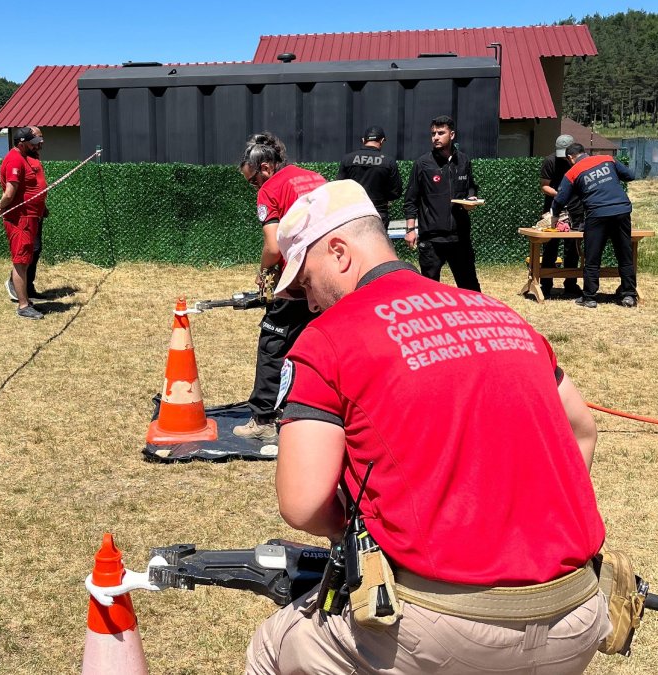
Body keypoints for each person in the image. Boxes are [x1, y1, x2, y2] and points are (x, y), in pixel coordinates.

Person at [245, 180, 609, 674]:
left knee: (276, 646)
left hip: (449, 627)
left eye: (308, 282)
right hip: (579, 614)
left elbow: (302, 502)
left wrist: (358, 536)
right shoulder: (502, 315)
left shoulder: (328, 339)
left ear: (339, 251)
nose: (309, 302)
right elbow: (582, 429)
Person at [234, 132, 327, 442]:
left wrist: (263, 272)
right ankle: (313, 410)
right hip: (329, 277)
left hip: (296, 280)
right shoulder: (314, 177)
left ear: (265, 168)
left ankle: (263, 418)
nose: (254, 189)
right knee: (312, 345)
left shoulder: (270, 189)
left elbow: (273, 247)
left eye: (253, 182)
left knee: (272, 344)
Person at [401, 115, 482, 292]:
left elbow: (471, 187)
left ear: (452, 135)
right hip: (432, 239)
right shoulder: (423, 163)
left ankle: (475, 318)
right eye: (433, 134)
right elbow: (411, 199)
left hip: (459, 237)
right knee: (429, 291)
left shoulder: (464, 161)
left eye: (440, 133)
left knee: (470, 287)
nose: (435, 137)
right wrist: (410, 230)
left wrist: (471, 198)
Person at [553, 143, 639, 309]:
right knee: (624, 254)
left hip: (597, 214)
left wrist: (555, 216)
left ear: (571, 158)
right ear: (584, 152)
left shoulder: (572, 172)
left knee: (592, 257)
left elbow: (560, 199)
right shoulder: (608, 159)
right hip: (622, 210)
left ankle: (589, 297)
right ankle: (629, 295)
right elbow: (630, 175)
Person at [0, 126, 49, 320]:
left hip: (32, 216)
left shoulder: (30, 156)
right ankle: (23, 305)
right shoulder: (14, 159)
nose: (38, 145)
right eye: (33, 143)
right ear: (22, 144)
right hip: (20, 219)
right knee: (20, 261)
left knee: (27, 258)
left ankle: (27, 295)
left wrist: (41, 207)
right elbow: (9, 193)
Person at [538, 134, 585, 298]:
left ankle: (571, 284)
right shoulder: (550, 161)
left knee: (572, 248)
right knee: (549, 247)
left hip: (575, 209)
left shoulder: (580, 163)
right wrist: (560, 196)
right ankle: (545, 285)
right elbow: (544, 186)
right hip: (553, 208)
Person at [335, 125, 403, 229]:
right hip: (377, 213)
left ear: (363, 140)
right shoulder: (388, 161)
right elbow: (396, 192)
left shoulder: (348, 159)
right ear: (382, 140)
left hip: (353, 214)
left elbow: (340, 187)